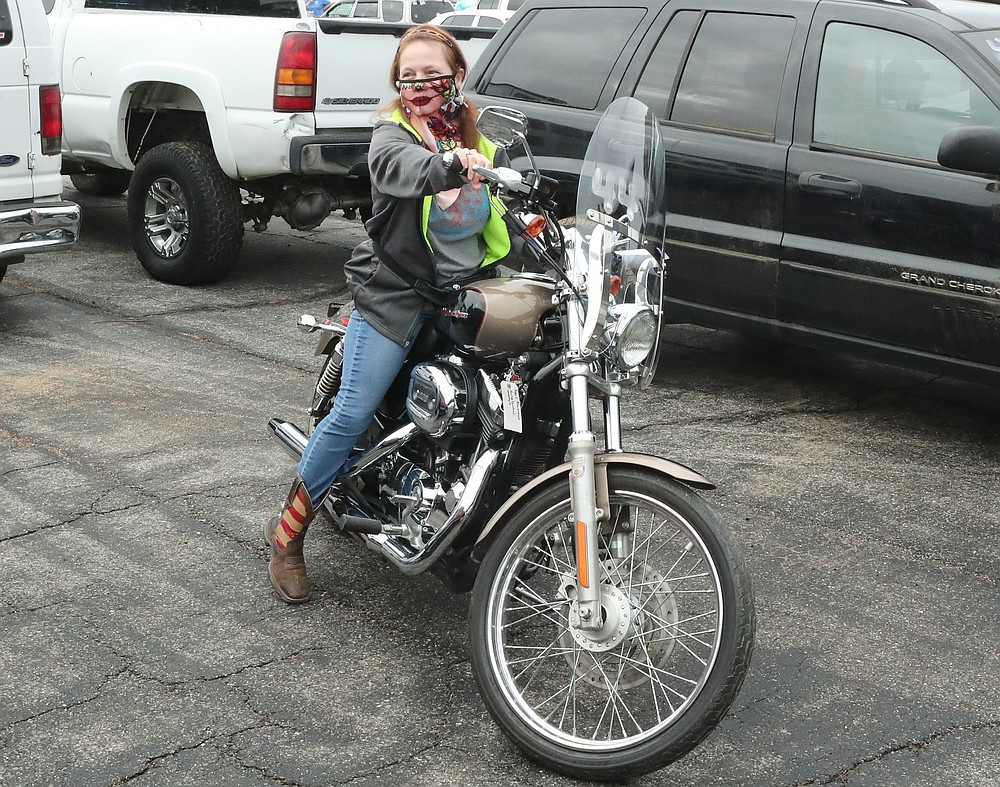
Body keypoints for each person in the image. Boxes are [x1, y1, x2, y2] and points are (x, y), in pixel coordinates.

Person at [265, 24, 517, 604]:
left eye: (431, 76)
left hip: (464, 293)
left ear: (457, 77)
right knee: (351, 412)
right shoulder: (391, 136)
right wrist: (449, 166)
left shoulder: (482, 140)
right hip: (395, 297)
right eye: (408, 78)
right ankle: (287, 534)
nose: (419, 87)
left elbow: (503, 214)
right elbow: (403, 172)